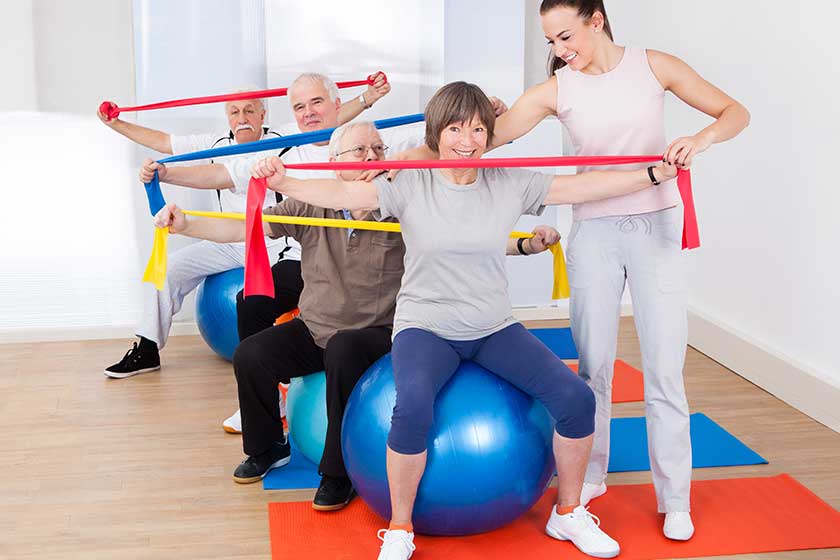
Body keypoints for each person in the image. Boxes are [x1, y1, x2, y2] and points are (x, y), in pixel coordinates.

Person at [252, 81, 678, 559]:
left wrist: (652, 174)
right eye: (456, 128)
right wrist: (283, 181)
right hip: (425, 327)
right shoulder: (410, 183)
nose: (468, 139)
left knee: (576, 399)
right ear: (437, 132)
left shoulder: (507, 181)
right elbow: (340, 190)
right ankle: (399, 528)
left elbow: (582, 185)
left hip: (493, 327)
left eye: (478, 128)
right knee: (411, 407)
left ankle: (568, 512)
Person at [392, 0, 750, 541]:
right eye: (551, 43)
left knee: (664, 371)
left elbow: (734, 113)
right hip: (595, 232)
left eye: (566, 37)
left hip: (656, 228)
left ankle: (675, 497)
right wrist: (390, 157)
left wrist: (698, 140)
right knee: (594, 368)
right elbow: (470, 143)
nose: (560, 52)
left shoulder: (655, 66)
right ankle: (588, 482)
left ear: (596, 20)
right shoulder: (558, 89)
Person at [152, 120, 562, 511]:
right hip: (315, 328)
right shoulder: (310, 204)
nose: (371, 157)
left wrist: (525, 245)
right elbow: (246, 228)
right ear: (336, 162)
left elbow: (469, 241)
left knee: (345, 349)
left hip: (380, 332)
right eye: (361, 149)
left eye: (378, 149)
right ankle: (268, 448)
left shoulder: (403, 205)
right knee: (251, 355)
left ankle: (338, 472)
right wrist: (185, 223)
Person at [148, 73, 423, 432]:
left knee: (348, 332)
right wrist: (165, 175)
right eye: (299, 107)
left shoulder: (370, 141)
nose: (308, 113)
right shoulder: (280, 151)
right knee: (251, 298)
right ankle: (266, 397)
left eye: (317, 103)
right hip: (304, 257)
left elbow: (442, 143)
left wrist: (487, 119)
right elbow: (220, 177)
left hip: (365, 266)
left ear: (338, 107)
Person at [99, 73, 391, 379]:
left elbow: (327, 120)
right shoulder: (216, 143)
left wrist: (367, 99)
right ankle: (147, 347)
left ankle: (269, 375)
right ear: (226, 116)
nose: (242, 117)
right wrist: (140, 147)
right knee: (171, 268)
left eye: (250, 110)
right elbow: (196, 162)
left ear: (263, 114)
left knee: (259, 297)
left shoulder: (284, 138)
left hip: (273, 242)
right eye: (234, 111)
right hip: (232, 237)